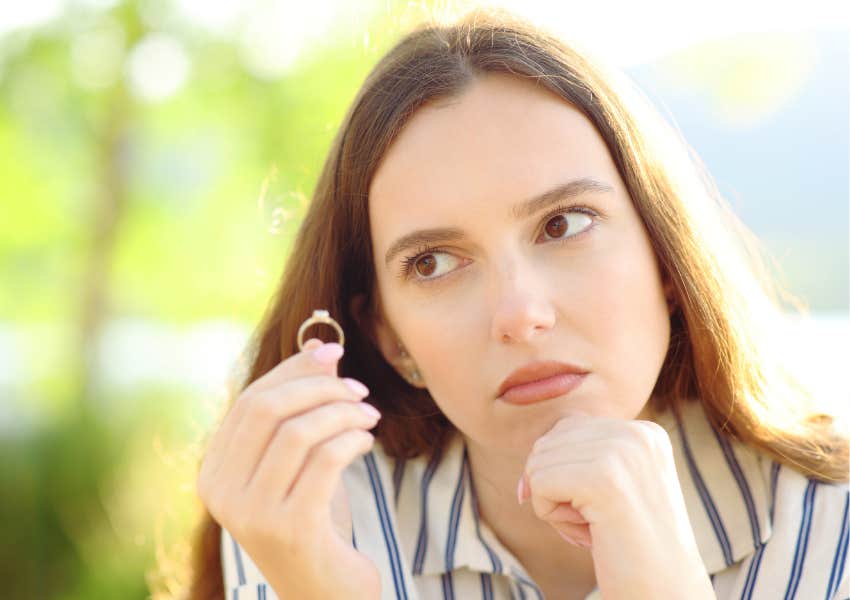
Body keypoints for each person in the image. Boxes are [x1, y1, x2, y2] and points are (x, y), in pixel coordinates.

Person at [188, 8, 849, 600]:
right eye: (433, 263)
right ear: (389, 336)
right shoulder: (315, 517)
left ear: (665, 259)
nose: (519, 315)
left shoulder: (829, 527)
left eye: (564, 224)